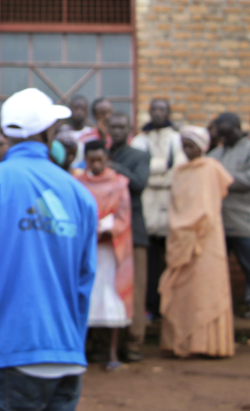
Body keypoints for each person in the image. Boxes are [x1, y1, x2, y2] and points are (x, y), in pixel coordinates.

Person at [0, 88, 96, 411]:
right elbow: (84, 285)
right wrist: (69, 344)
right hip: (66, 357)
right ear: (47, 130)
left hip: (8, 357)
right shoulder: (79, 195)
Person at [159, 126, 235, 358]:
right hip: (180, 239)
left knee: (206, 291)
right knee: (183, 292)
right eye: (184, 146)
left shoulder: (212, 169)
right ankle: (181, 343)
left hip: (207, 239)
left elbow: (209, 206)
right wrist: (181, 229)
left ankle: (210, 345)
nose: (187, 150)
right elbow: (176, 206)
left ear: (202, 147)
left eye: (191, 146)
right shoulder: (180, 171)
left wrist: (195, 227)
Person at [76, 140, 133, 371]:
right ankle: (81, 349)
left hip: (110, 249)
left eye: (101, 160)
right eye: (92, 160)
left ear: (107, 158)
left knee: (110, 295)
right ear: (86, 160)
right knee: (86, 295)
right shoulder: (78, 183)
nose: (97, 164)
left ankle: (112, 352)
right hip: (86, 249)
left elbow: (124, 216)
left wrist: (109, 229)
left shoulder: (118, 184)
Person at [130, 98, 186, 321]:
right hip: (148, 210)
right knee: (150, 263)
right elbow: (140, 172)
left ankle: (171, 308)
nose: (158, 113)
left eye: (163, 109)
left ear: (169, 112)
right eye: (154, 109)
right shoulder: (140, 140)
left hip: (172, 209)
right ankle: (151, 307)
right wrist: (165, 167)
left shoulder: (177, 139)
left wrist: (156, 171)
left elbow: (179, 169)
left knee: (172, 262)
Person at [106, 112, 151, 361]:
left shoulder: (139, 156)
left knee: (136, 287)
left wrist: (115, 168)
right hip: (109, 233)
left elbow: (139, 183)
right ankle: (108, 342)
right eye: (114, 125)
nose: (118, 130)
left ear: (130, 128)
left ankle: (134, 343)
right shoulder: (103, 153)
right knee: (111, 285)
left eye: (122, 125)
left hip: (134, 231)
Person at [207, 112, 250, 317]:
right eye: (219, 136)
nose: (222, 139)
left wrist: (222, 177)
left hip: (243, 221)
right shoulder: (216, 153)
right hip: (217, 223)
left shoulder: (248, 149)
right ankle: (221, 311)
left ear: (236, 130)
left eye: (225, 135)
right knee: (216, 270)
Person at [62, 95, 94, 168]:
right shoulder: (62, 132)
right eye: (76, 108)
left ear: (87, 112)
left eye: (83, 109)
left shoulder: (91, 134)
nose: (79, 112)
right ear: (70, 109)